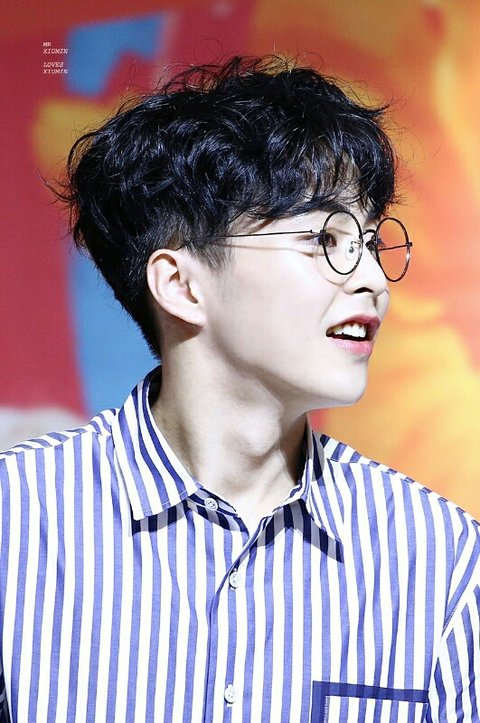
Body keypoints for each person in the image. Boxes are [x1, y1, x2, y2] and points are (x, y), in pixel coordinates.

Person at [0, 55, 479, 723]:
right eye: (326, 238)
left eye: (371, 242)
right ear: (181, 284)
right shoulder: (17, 520)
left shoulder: (440, 555)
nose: (373, 278)